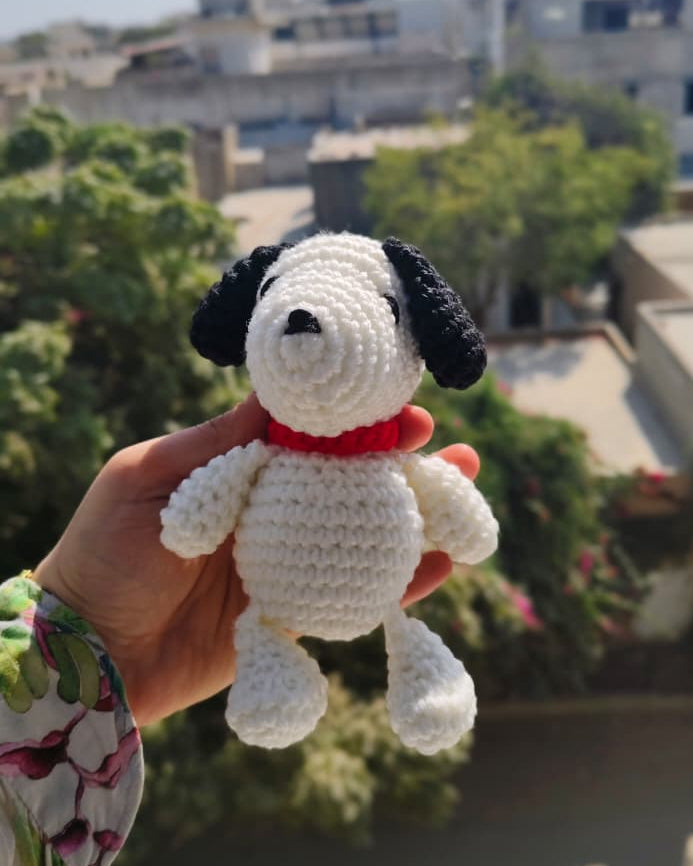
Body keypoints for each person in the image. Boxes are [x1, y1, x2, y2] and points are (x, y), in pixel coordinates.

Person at [0, 394, 481, 866]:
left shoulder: (358, 462)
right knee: (270, 632)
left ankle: (422, 680)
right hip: (271, 606)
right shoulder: (265, 456)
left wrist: (82, 634)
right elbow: (197, 512)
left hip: (333, 600)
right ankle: (281, 681)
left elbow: (461, 518)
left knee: (390, 622)